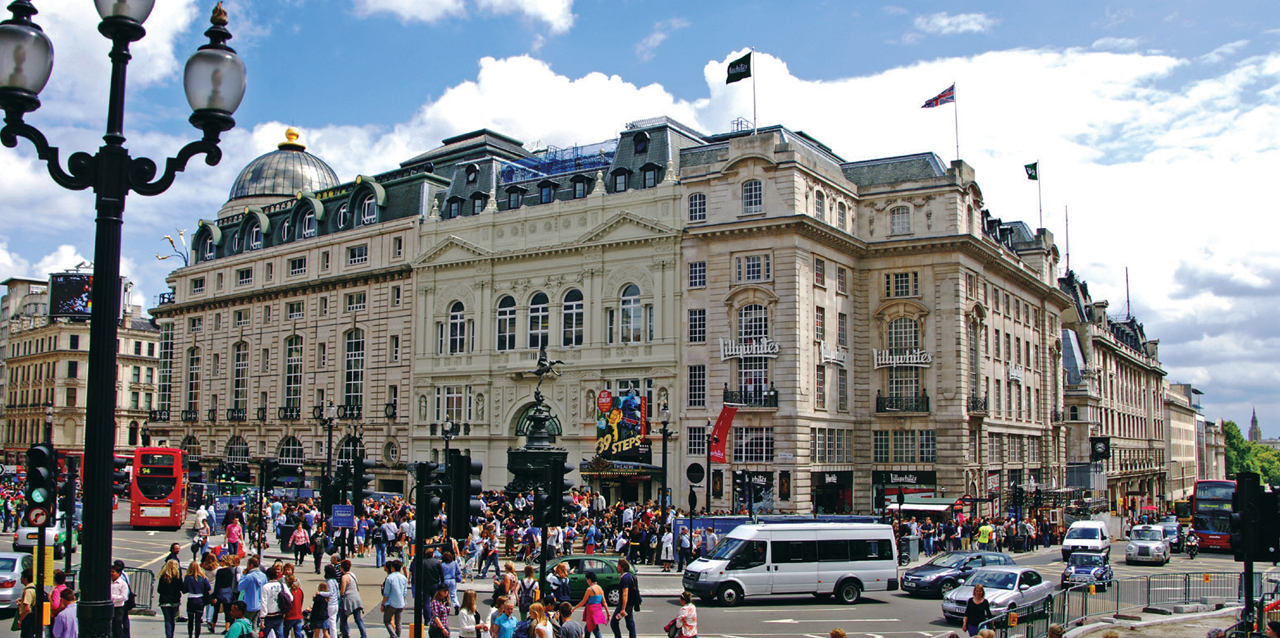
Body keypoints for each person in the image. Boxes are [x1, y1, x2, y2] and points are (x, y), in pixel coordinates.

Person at [572, 571, 607, 638]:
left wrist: (574, 608)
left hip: (591, 613)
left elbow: (583, 602)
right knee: (588, 629)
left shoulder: (589, 590)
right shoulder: (600, 588)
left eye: (587, 580)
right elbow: (604, 602)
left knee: (595, 630)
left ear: (589, 579)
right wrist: (608, 613)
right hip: (598, 611)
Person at [262, 567, 294, 638]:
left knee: (264, 635)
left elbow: (263, 603)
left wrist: (262, 618)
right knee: (280, 635)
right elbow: (291, 598)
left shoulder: (265, 587)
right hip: (279, 614)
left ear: (267, 576)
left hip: (269, 616)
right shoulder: (282, 585)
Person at [338, 560, 368, 638]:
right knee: (358, 619)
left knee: (343, 619)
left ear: (342, 568)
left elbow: (342, 591)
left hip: (348, 599)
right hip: (356, 598)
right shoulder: (352, 575)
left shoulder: (344, 577)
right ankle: (364, 635)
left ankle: (346, 634)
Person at [184, 561, 213, 638]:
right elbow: (208, 587)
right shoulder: (202, 578)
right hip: (200, 599)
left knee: (190, 620)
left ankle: (190, 635)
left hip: (191, 599)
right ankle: (197, 636)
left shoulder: (188, 577)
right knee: (198, 621)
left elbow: (184, 589)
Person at [381, 560, 408, 638]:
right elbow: (405, 592)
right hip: (400, 602)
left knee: (386, 620)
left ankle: (393, 635)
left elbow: (386, 593)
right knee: (398, 622)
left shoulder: (390, 578)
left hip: (391, 603)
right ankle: (398, 635)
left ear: (392, 568)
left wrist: (383, 604)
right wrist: (404, 602)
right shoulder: (403, 578)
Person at [158, 560, 185, 638]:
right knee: (172, 619)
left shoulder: (163, 577)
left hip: (164, 601)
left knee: (167, 619)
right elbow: (181, 588)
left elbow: (159, 590)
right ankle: (171, 635)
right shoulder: (177, 578)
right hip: (175, 600)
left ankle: (168, 635)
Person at [610, 558, 636, 638]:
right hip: (630, 604)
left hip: (624, 605)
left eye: (618, 565)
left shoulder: (625, 578)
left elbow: (625, 593)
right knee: (630, 623)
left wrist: (623, 609)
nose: (617, 567)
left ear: (622, 567)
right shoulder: (629, 576)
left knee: (614, 622)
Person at [110, 564, 130, 638]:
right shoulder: (109, 582)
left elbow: (123, 596)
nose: (111, 573)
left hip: (118, 607)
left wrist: (112, 597)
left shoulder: (122, 584)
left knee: (117, 626)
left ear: (118, 573)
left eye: (113, 572)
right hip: (110, 607)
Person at [17, 569, 37, 638]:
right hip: (33, 618)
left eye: (21, 577)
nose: (20, 579)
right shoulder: (34, 587)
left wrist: (20, 620)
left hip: (28, 619)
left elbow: (27, 609)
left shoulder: (28, 590)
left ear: (25, 579)